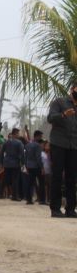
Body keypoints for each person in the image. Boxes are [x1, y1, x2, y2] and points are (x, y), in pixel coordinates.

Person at [46, 84, 77, 218]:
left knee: (72, 178)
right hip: (58, 143)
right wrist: (64, 114)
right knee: (57, 176)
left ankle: (71, 209)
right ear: (72, 89)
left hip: (74, 145)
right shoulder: (59, 102)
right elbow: (50, 118)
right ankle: (55, 209)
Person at [0, 128, 24, 202]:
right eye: (18, 133)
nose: (19, 135)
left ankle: (0, 194)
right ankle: (14, 196)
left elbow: (1, 153)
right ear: (15, 133)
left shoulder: (6, 142)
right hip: (15, 163)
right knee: (15, 180)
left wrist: (2, 162)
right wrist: (22, 163)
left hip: (7, 163)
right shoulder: (19, 143)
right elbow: (21, 154)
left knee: (5, 179)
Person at [24, 130, 45, 205]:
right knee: (41, 182)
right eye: (40, 136)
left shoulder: (28, 145)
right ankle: (42, 200)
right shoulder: (38, 145)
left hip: (29, 166)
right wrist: (42, 167)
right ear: (37, 136)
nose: (41, 137)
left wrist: (26, 166)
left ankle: (28, 199)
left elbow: (25, 157)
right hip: (36, 166)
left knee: (30, 183)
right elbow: (38, 157)